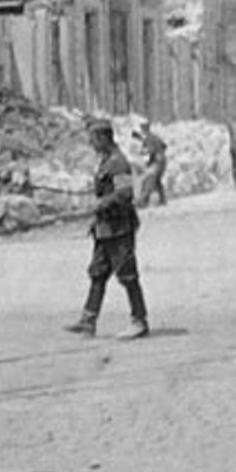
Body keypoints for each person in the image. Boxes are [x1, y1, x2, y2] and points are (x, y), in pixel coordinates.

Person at [66, 121, 149, 339]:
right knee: (98, 273)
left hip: (119, 229)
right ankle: (88, 320)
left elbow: (125, 193)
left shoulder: (118, 162)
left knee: (127, 274)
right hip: (104, 229)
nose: (91, 144)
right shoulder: (105, 162)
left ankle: (139, 321)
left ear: (103, 138)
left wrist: (100, 204)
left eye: (93, 140)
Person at [139, 126, 169, 206]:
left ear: (143, 130)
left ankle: (143, 202)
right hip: (163, 160)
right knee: (157, 181)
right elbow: (165, 146)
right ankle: (163, 201)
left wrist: (142, 152)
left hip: (157, 161)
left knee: (149, 180)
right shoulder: (155, 136)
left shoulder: (147, 139)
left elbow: (151, 150)